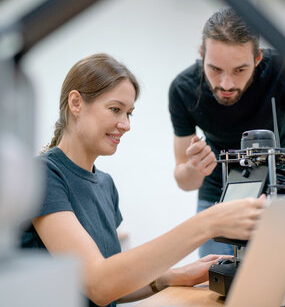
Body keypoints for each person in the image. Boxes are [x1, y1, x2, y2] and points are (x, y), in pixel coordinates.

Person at [21, 53, 266, 307]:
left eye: (129, 113)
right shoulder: (43, 175)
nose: (125, 124)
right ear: (76, 103)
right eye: (115, 109)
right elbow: (97, 285)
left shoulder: (105, 184)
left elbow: (113, 286)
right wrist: (207, 223)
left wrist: (171, 277)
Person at [168, 7, 285, 257]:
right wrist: (195, 168)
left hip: (279, 191)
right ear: (202, 54)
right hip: (217, 195)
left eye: (239, 70)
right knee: (215, 284)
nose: (226, 84)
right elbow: (184, 180)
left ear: (258, 58)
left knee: (283, 280)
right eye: (215, 69)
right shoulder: (183, 89)